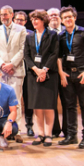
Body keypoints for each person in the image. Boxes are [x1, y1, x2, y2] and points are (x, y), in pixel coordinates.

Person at [57, 6, 84, 149]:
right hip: (67, 74)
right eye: (64, 17)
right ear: (61, 20)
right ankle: (71, 136)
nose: (67, 19)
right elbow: (59, 57)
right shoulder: (60, 36)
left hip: (82, 73)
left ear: (74, 17)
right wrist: (61, 73)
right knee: (70, 106)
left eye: (69, 17)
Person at [0, 5, 26, 143]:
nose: (3, 17)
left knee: (16, 101)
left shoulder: (21, 29)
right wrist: (2, 65)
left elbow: (23, 49)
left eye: (6, 14)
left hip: (16, 71)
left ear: (12, 15)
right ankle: (3, 129)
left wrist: (12, 64)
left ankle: (17, 130)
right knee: (2, 102)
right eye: (1, 15)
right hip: (2, 71)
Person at [24, 10, 59, 147]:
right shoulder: (29, 37)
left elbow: (54, 54)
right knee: (37, 106)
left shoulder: (52, 35)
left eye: (36, 19)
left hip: (49, 75)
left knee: (48, 106)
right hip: (34, 75)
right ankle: (41, 134)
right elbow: (26, 56)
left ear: (43, 20)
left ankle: (49, 134)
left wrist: (44, 70)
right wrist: (36, 69)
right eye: (32, 19)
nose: (34, 21)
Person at [47, 7, 67, 138]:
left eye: (56, 14)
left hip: (66, 73)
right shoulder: (43, 33)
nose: (54, 17)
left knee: (67, 102)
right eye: (51, 15)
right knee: (51, 103)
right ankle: (54, 130)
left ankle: (68, 130)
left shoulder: (68, 32)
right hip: (50, 72)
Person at [14, 11, 34, 136]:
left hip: (29, 71)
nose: (19, 22)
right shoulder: (11, 33)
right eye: (17, 19)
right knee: (14, 100)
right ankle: (14, 126)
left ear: (25, 22)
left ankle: (29, 125)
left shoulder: (32, 34)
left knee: (28, 99)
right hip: (14, 70)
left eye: (22, 20)